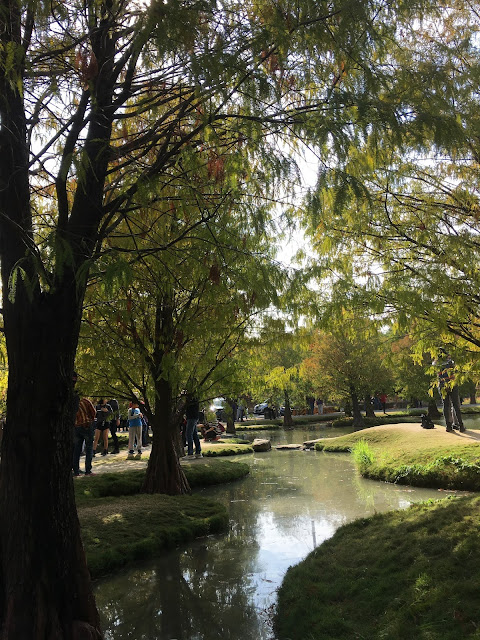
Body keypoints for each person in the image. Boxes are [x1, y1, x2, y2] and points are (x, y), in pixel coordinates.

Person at [433, 350, 465, 433]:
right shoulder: (450, 362)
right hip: (452, 384)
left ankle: (448, 426)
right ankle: (460, 425)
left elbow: (434, 366)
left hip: (442, 385)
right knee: (456, 405)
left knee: (446, 405)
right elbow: (455, 368)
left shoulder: (436, 363)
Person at [72, 392, 96, 476]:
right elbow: (93, 412)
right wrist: (90, 420)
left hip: (76, 427)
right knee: (89, 448)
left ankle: (76, 471)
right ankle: (88, 470)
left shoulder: (71, 403)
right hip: (86, 425)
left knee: (77, 449)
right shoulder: (85, 401)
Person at [185, 394, 202, 459]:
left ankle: (190, 453)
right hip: (194, 417)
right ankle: (198, 452)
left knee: (189, 434)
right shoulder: (195, 398)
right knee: (194, 435)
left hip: (191, 417)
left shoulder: (191, 399)